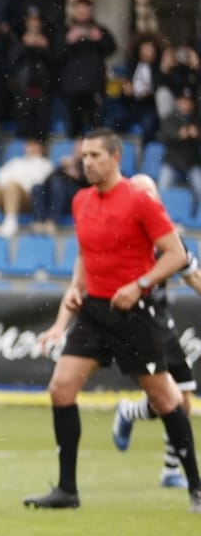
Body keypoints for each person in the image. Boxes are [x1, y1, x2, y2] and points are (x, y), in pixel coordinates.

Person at [28, 131, 201, 512]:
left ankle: (196, 488)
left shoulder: (140, 199)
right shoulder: (81, 200)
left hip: (134, 315)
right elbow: (84, 255)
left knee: (164, 398)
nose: (87, 162)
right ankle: (67, 491)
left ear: (116, 158)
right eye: (84, 155)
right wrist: (70, 300)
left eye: (95, 155)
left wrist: (140, 285)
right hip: (93, 311)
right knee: (60, 389)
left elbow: (175, 255)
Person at [111, 175, 201, 490]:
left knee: (183, 398)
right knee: (169, 397)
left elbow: (193, 277)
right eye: (141, 194)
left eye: (151, 195)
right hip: (133, 320)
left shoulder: (167, 239)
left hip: (160, 320)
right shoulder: (121, 235)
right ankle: (130, 412)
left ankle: (169, 468)